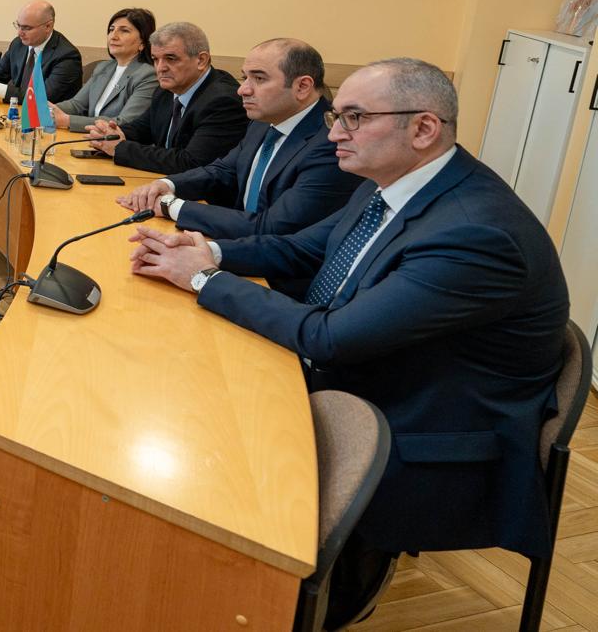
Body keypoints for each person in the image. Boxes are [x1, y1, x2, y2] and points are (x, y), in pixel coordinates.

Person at [128, 59, 569, 628]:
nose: (334, 132)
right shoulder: (395, 183)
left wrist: (202, 280)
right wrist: (208, 252)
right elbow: (303, 249)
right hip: (381, 372)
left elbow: (330, 338)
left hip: (427, 431)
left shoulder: (475, 232)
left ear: (423, 128)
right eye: (336, 116)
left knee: (218, 432)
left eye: (354, 118)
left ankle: (265, 594)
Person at [118, 39, 361, 237]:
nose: (242, 89)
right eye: (245, 78)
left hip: (274, 271)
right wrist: (167, 185)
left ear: (302, 86)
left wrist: (172, 206)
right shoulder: (263, 120)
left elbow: (272, 227)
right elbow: (223, 170)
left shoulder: (333, 142)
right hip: (235, 241)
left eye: (259, 78)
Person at [90, 21, 246, 174]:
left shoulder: (223, 101)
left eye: (171, 59)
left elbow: (191, 163)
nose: (160, 68)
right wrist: (111, 133)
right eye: (155, 59)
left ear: (201, 60)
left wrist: (119, 148)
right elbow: (143, 128)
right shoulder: (166, 90)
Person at [50, 8, 158, 131]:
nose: (113, 36)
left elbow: (125, 122)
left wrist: (67, 120)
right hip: (90, 136)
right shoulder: (103, 67)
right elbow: (77, 105)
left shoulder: (148, 75)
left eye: (124, 31)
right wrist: (48, 109)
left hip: (119, 141)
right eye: (111, 30)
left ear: (143, 42)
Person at [0, 0, 84, 104]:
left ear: (48, 26)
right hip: (17, 112)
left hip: (48, 119)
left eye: (27, 28)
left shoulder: (67, 56)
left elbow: (43, 96)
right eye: (18, 25)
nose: (19, 33)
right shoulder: (18, 44)